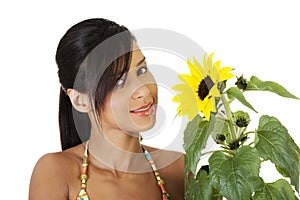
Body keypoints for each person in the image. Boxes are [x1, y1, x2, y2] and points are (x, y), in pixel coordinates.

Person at [29, 18, 184, 200]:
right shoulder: (55, 172)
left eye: (141, 71)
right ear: (80, 100)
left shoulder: (178, 168)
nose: (142, 90)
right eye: (119, 82)